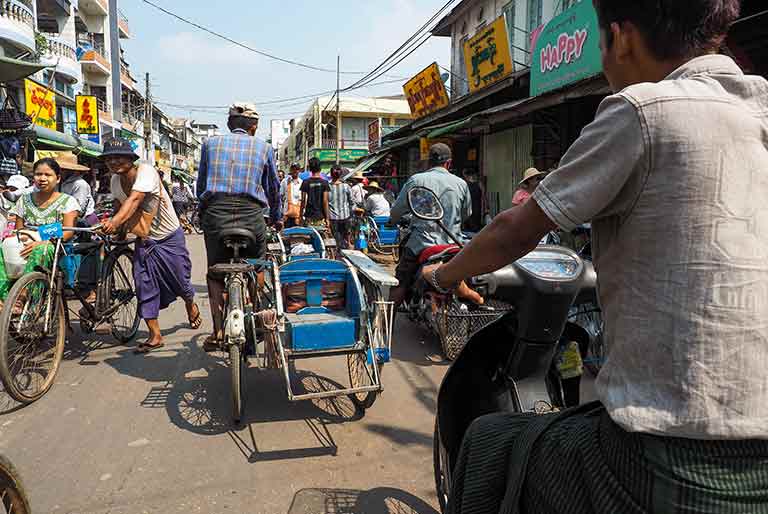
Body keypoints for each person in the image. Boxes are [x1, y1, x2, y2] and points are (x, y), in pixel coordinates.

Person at [422, 1, 768, 512]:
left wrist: (445, 274)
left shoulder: (642, 110)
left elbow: (514, 230)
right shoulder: (758, 108)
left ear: (620, 39)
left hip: (666, 453)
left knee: (490, 441)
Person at [101, 138, 201, 354]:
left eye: (119, 157)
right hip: (144, 240)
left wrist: (114, 222)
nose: (113, 162)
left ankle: (190, 302)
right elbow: (120, 203)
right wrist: (117, 233)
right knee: (143, 285)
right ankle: (155, 335)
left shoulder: (146, 172)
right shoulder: (115, 181)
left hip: (169, 236)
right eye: (109, 158)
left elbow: (134, 200)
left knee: (181, 280)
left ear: (131, 159)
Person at [196, 102, 281, 352]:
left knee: (214, 273)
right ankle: (256, 319)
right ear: (254, 126)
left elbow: (201, 187)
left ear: (229, 124)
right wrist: (276, 217)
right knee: (257, 264)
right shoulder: (264, 147)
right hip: (252, 216)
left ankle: (217, 331)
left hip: (216, 215)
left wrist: (204, 213)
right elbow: (273, 189)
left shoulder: (209, 144)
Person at [389, 143, 472, 310]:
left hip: (421, 244)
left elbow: (396, 212)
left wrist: (394, 220)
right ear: (448, 163)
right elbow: (466, 214)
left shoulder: (416, 180)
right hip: (453, 244)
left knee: (401, 281)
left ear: (429, 162)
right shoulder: (461, 183)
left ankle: (386, 321)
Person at [0, 158, 79, 303]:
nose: (42, 178)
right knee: (3, 247)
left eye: (48, 175)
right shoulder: (24, 200)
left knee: (41, 249)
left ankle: (24, 295)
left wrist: (42, 241)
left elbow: (68, 232)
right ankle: (3, 299)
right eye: (38, 174)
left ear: (58, 178)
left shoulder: (68, 201)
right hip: (26, 243)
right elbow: (19, 230)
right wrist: (22, 238)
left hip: (56, 246)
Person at [57, 152, 97, 226]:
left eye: (63, 170)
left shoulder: (79, 184)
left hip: (83, 220)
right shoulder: (59, 182)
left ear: (71, 170)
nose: (60, 172)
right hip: (64, 218)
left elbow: (78, 209)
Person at [299, 157, 330, 227]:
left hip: (309, 216)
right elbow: (325, 201)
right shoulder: (324, 183)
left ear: (310, 168)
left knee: (309, 233)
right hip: (320, 216)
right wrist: (327, 218)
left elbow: (303, 200)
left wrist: (300, 215)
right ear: (320, 168)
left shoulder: (305, 182)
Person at [328, 164, 354, 249]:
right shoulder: (346, 186)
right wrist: (351, 212)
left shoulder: (327, 186)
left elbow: (325, 202)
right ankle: (347, 246)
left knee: (336, 237)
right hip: (345, 216)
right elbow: (352, 201)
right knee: (345, 235)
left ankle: (338, 250)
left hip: (332, 217)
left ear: (331, 174)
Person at [280, 163, 303, 228]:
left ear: (299, 170)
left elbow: (304, 199)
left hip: (298, 216)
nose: (295, 171)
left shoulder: (302, 183)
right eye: (293, 169)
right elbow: (280, 197)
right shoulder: (285, 182)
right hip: (287, 216)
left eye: (297, 169)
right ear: (290, 170)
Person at [462, 168, 484, 232]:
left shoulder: (465, 184)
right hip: (476, 205)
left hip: (470, 204)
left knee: (471, 219)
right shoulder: (479, 183)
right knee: (475, 219)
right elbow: (483, 195)